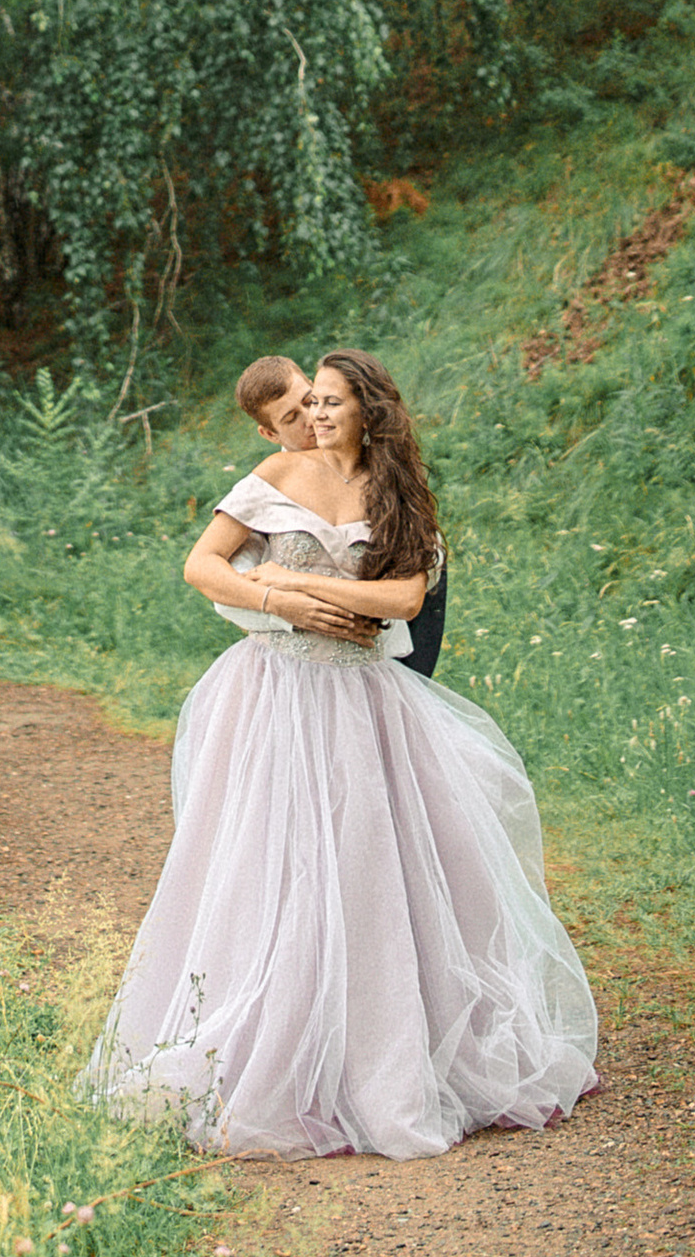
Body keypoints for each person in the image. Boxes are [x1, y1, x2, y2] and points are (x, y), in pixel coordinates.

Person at [84, 348, 596, 1159]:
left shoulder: (395, 492)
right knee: (267, 863)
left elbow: (404, 599)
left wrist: (317, 593)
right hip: (273, 697)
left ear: (368, 411)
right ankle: (267, 1044)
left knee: (368, 865)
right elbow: (202, 565)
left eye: (329, 404)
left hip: (362, 702)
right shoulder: (275, 476)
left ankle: (382, 1053)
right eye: (308, 405)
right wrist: (278, 602)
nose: (315, 417)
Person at [228, 352, 449, 679]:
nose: (312, 417)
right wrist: (288, 609)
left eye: (313, 400)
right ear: (270, 434)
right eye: (292, 418)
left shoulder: (388, 476)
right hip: (291, 666)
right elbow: (219, 577)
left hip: (380, 652)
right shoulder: (271, 484)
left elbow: (411, 592)